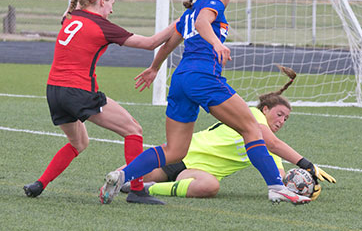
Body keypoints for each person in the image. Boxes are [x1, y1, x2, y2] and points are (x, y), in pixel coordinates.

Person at [99, 0, 335, 205]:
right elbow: (203, 23)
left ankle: (122, 175)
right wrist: (217, 43)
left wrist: (155, 67)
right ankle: (276, 188)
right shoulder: (212, 4)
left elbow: (170, 42)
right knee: (251, 129)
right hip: (203, 77)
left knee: (175, 151)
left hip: (181, 80)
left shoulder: (190, 12)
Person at [23, 0, 176, 205]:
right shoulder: (101, 25)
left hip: (54, 92)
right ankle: (136, 191)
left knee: (79, 143)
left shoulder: (70, 17)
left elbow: (74, 9)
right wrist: (182, 21)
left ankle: (39, 184)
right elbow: (151, 43)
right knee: (134, 130)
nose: (112, 10)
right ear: (101, 0)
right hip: (78, 92)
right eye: (111, 3)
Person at [118, 66, 329, 200]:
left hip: (198, 175)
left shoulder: (270, 148)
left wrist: (304, 184)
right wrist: (306, 164)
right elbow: (273, 143)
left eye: (286, 118)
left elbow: (280, 177)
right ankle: (134, 180)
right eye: (280, 114)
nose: (282, 121)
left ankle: (149, 189)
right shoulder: (253, 115)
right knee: (121, 174)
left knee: (210, 186)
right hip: (183, 155)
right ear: (265, 109)